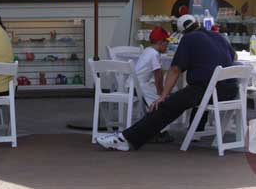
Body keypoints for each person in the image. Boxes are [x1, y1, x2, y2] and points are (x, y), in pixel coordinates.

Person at [96, 14, 238, 151]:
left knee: (168, 106)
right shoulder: (218, 36)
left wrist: (163, 96)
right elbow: (234, 56)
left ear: (182, 32)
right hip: (231, 90)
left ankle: (126, 139)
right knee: (194, 97)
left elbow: (175, 69)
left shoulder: (189, 39)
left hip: (208, 90)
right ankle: (195, 131)